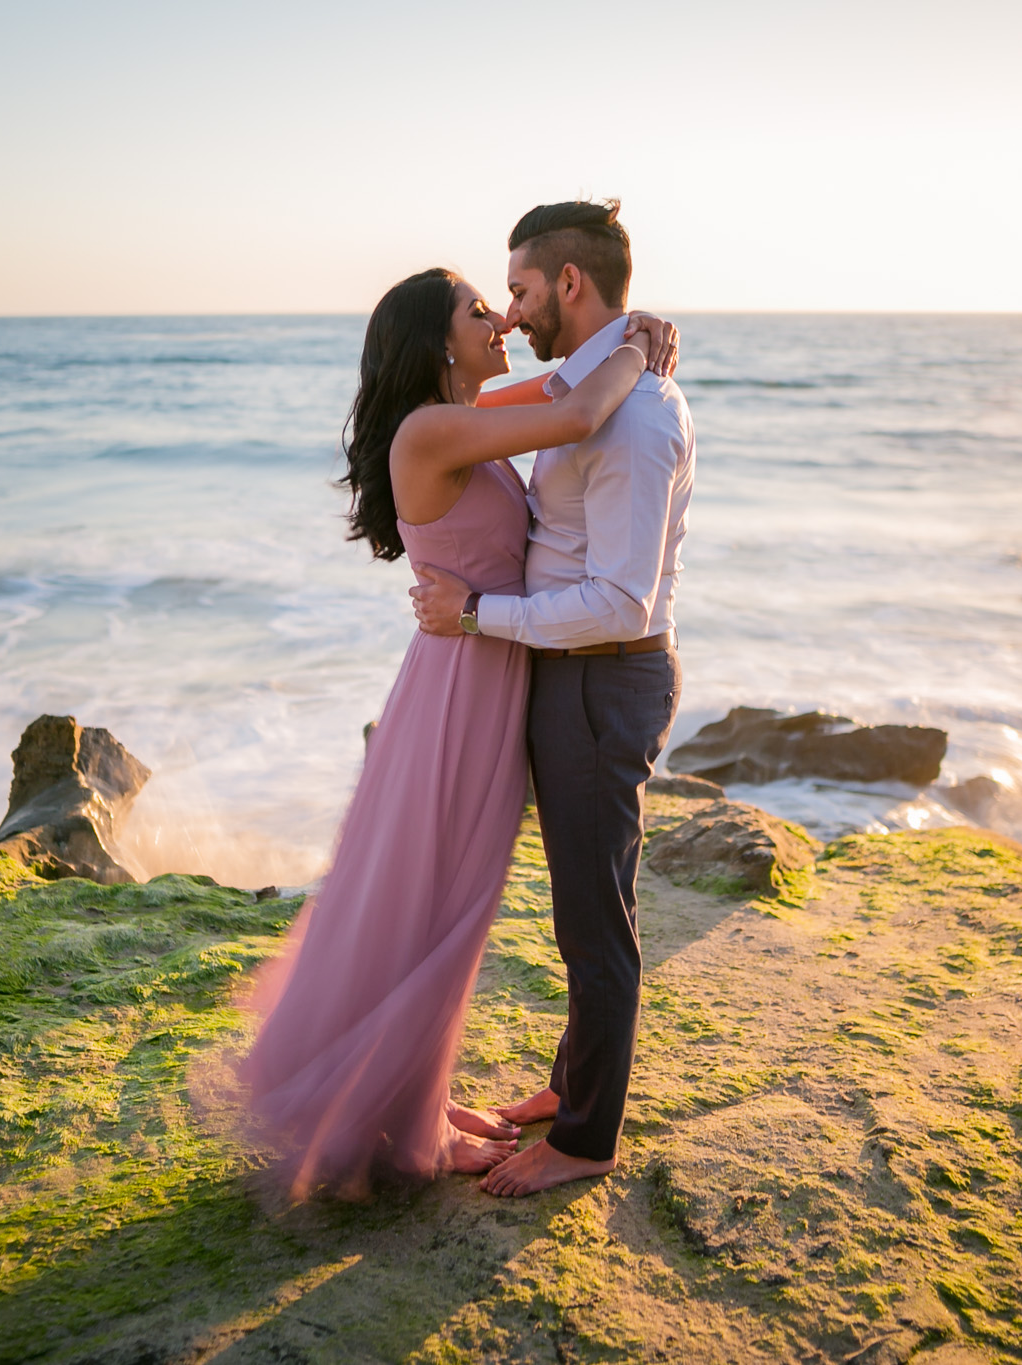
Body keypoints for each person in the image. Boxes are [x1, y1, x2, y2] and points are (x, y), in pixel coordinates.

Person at [236, 259, 679, 1199]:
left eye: (503, 300)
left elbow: (565, 389)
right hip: (458, 687)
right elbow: (571, 415)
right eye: (481, 308)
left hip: (493, 671)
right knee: (429, 902)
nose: (500, 319)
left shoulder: (470, 416)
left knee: (458, 906)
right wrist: (637, 342)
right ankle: (406, 1123)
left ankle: (416, 1099)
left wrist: (631, 336)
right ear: (439, 340)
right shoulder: (435, 429)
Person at [411, 200, 695, 1198]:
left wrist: (478, 613)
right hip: (568, 675)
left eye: (522, 291)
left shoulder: (637, 417)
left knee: (593, 915)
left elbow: (620, 599)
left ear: (567, 284)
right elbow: (516, 403)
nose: (511, 314)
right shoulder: (589, 384)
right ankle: (576, 1087)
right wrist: (637, 333)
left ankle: (586, 1139)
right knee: (585, 904)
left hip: (599, 675)